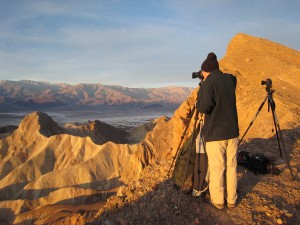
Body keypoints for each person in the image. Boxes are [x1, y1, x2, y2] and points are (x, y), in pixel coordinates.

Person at [195, 52, 239, 210]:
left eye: (203, 72)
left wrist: (201, 92)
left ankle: (218, 201)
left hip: (216, 133)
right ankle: (232, 199)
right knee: (232, 166)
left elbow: (204, 107)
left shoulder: (208, 84)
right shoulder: (229, 79)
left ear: (206, 71)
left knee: (217, 167)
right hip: (232, 132)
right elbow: (232, 79)